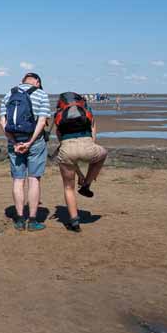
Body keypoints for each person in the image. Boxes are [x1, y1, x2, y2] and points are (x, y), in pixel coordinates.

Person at [0, 72, 50, 232]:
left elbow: (3, 121)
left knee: (18, 180)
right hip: (35, 142)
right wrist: (30, 142)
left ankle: (20, 219)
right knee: (34, 179)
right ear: (36, 81)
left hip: (14, 142)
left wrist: (14, 142)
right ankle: (33, 220)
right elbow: (42, 121)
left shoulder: (9, 94)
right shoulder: (41, 94)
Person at [53, 92, 108, 232]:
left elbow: (62, 141)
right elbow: (93, 136)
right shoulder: (87, 111)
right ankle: (86, 185)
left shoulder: (59, 115)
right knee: (103, 153)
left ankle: (74, 222)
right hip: (87, 145)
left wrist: (78, 173)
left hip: (67, 149)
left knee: (68, 187)